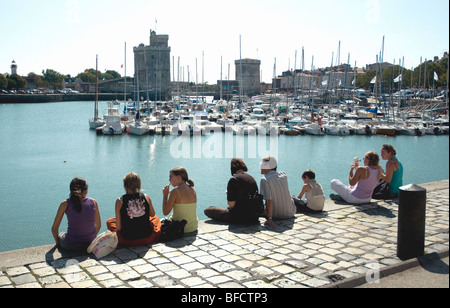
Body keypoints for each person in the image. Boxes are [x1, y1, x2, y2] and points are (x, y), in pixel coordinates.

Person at [107, 172, 161, 246]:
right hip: (147, 238)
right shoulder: (146, 197)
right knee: (156, 219)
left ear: (125, 185)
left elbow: (119, 228)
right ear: (138, 185)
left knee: (110, 221)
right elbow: (152, 214)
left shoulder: (120, 201)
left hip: (127, 240)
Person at [204, 158, 260, 225]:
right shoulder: (251, 178)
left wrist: (229, 194)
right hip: (254, 216)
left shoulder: (233, 180)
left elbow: (231, 204)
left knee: (208, 210)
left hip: (239, 217)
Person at [51, 178, 101, 251]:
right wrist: (89, 238)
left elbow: (54, 229)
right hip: (90, 243)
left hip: (70, 245)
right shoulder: (93, 202)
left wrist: (58, 243)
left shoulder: (65, 204)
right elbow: (98, 225)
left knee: (62, 234)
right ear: (85, 190)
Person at [260, 157, 296, 227]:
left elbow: (269, 201)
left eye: (262, 165)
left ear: (268, 166)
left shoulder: (265, 180)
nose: (260, 166)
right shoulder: (284, 175)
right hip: (291, 212)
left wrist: (269, 218)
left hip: (276, 214)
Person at [163, 167, 198, 233]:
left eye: (170, 177)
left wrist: (165, 196)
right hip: (193, 227)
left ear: (179, 177)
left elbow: (165, 212)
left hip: (180, 228)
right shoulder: (193, 190)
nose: (169, 179)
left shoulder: (175, 192)